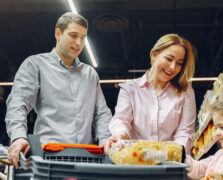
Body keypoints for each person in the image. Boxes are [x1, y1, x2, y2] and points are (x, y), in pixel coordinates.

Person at [5, 12, 112, 168]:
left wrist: (105, 139)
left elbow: (101, 113)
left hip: (86, 159)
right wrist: (18, 137)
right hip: (47, 159)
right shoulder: (35, 65)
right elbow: (18, 103)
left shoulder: (90, 74)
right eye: (73, 35)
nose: (78, 42)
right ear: (58, 34)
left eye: (83, 37)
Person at [106, 33, 197, 154]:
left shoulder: (185, 91)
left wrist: (166, 154)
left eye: (179, 63)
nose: (172, 67)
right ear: (154, 55)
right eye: (169, 59)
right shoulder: (130, 89)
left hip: (171, 165)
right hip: (136, 161)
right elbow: (121, 120)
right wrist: (120, 135)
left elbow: (185, 133)